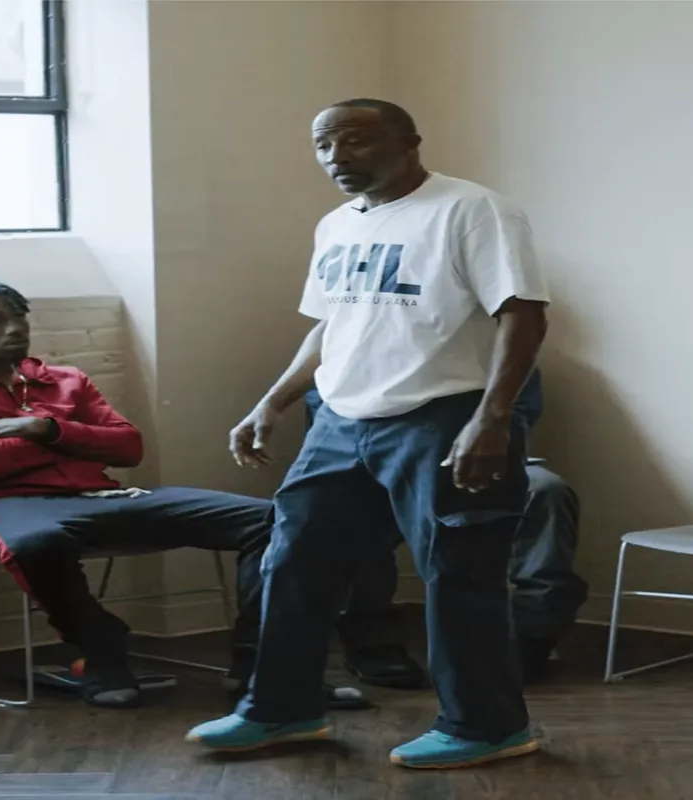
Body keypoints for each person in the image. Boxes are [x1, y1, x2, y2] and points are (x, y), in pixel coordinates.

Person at [186, 98, 550, 769]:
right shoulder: (335, 226)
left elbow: (522, 314)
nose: (336, 157)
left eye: (355, 140)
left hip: (444, 415)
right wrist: (272, 401)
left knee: (458, 574)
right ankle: (282, 710)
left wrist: (494, 417)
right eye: (324, 145)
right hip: (341, 420)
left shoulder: (472, 210)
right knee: (293, 560)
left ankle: (488, 726)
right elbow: (330, 325)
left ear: (410, 141)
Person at [0, 279, 362, 711]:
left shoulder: (63, 379)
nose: (14, 328)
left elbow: (128, 447)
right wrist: (79, 440)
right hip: (5, 504)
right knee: (35, 542)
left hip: (104, 496)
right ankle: (101, 650)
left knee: (275, 519)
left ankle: (262, 666)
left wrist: (47, 429)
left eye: (19, 317)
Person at [322, 369, 588, 688]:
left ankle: (529, 636)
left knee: (548, 491)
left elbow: (517, 421)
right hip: (391, 463)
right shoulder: (368, 359)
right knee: (356, 506)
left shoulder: (511, 362)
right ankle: (371, 639)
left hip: (476, 459)